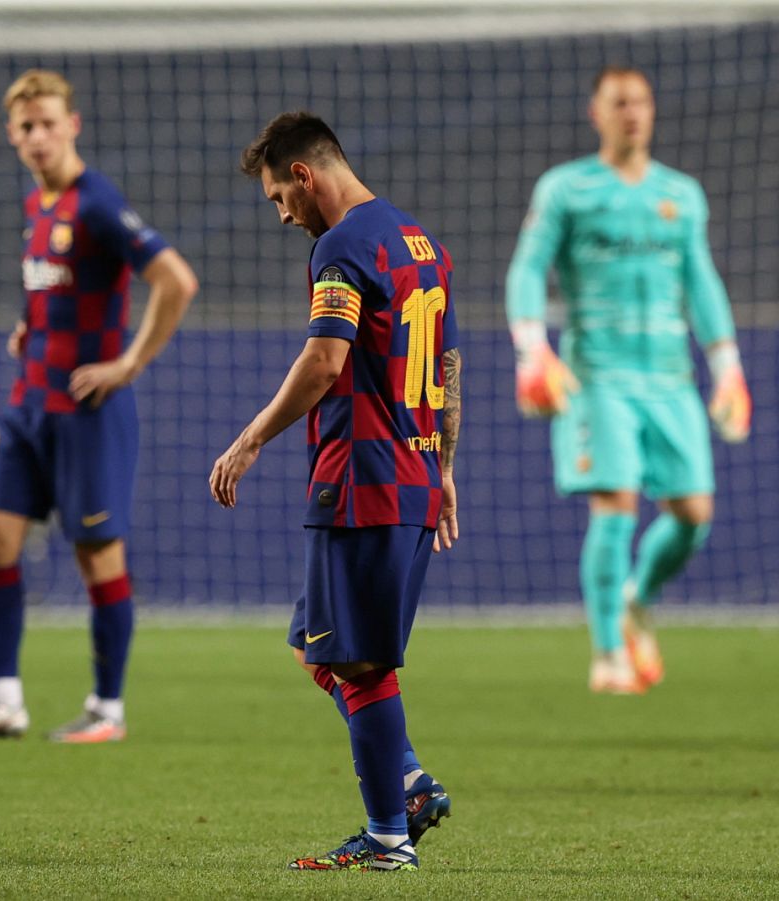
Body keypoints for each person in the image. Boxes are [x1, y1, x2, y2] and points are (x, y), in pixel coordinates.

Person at [211, 111, 460, 870]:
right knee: (313, 645)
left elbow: (325, 361)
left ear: (302, 175)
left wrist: (250, 436)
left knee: (358, 665)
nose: (282, 215)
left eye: (277, 199)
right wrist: (445, 469)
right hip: (414, 475)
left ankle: (390, 837)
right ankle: (409, 781)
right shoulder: (424, 244)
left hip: (362, 481)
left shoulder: (342, 243)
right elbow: (446, 369)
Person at [0, 69, 197, 743]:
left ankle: (107, 709)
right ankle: (3, 700)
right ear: (12, 135)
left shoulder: (97, 202)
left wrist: (129, 364)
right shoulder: (35, 206)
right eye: (26, 126)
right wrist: (29, 325)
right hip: (29, 405)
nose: (38, 135)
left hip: (88, 408)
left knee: (95, 556)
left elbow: (176, 279)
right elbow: (51, 287)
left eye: (49, 122)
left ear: (72, 126)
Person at [505, 66, 749, 694]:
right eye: (619, 103)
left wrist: (728, 368)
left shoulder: (681, 194)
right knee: (615, 507)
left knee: (694, 515)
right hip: (597, 377)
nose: (632, 113)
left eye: (640, 101)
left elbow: (702, 283)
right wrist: (532, 351)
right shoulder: (567, 189)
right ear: (597, 113)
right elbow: (528, 269)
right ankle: (609, 652)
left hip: (669, 378)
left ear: (653, 110)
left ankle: (638, 594)